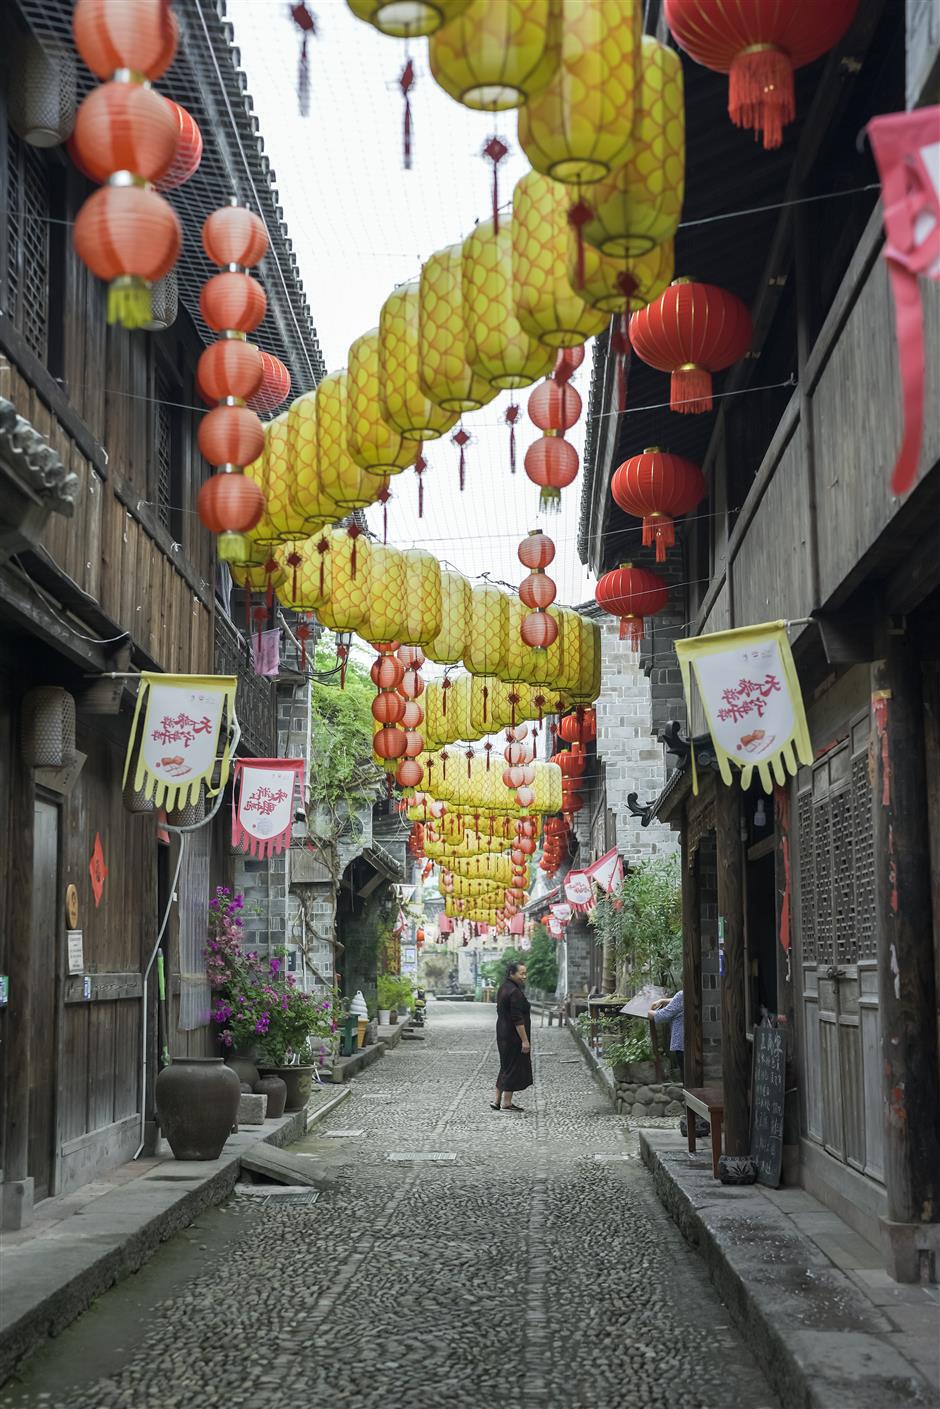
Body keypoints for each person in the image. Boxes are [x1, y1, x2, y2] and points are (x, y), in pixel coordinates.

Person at [491, 960, 532, 1112]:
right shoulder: (514, 992)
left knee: (505, 1065)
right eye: (521, 973)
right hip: (513, 1035)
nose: (524, 976)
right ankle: (506, 1102)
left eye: (524, 973)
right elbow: (517, 1019)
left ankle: (496, 1100)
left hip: (502, 1031)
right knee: (513, 1066)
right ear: (511, 974)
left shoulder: (503, 988)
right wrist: (525, 1040)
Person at [649, 990, 684, 1083]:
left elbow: (663, 1015)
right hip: (693, 1042)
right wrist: (664, 1001)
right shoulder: (694, 991)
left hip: (682, 1043)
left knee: (686, 1075)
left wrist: (649, 1012)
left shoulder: (682, 995)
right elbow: (680, 1000)